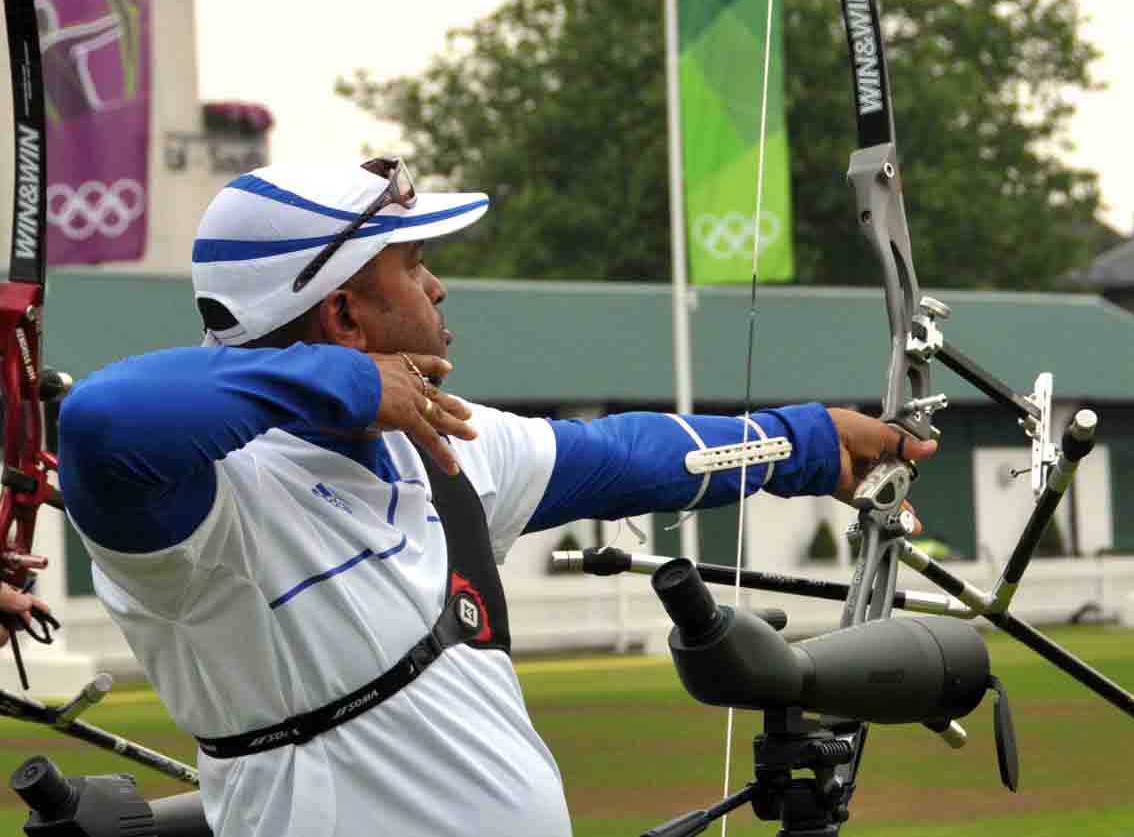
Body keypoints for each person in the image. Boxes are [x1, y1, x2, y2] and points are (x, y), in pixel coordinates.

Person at [57, 158, 936, 837]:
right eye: (413, 266)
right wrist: (351, 387)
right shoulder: (210, 501)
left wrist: (811, 441)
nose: (437, 287)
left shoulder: (439, 440)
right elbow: (103, 420)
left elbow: (628, 456)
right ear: (346, 318)